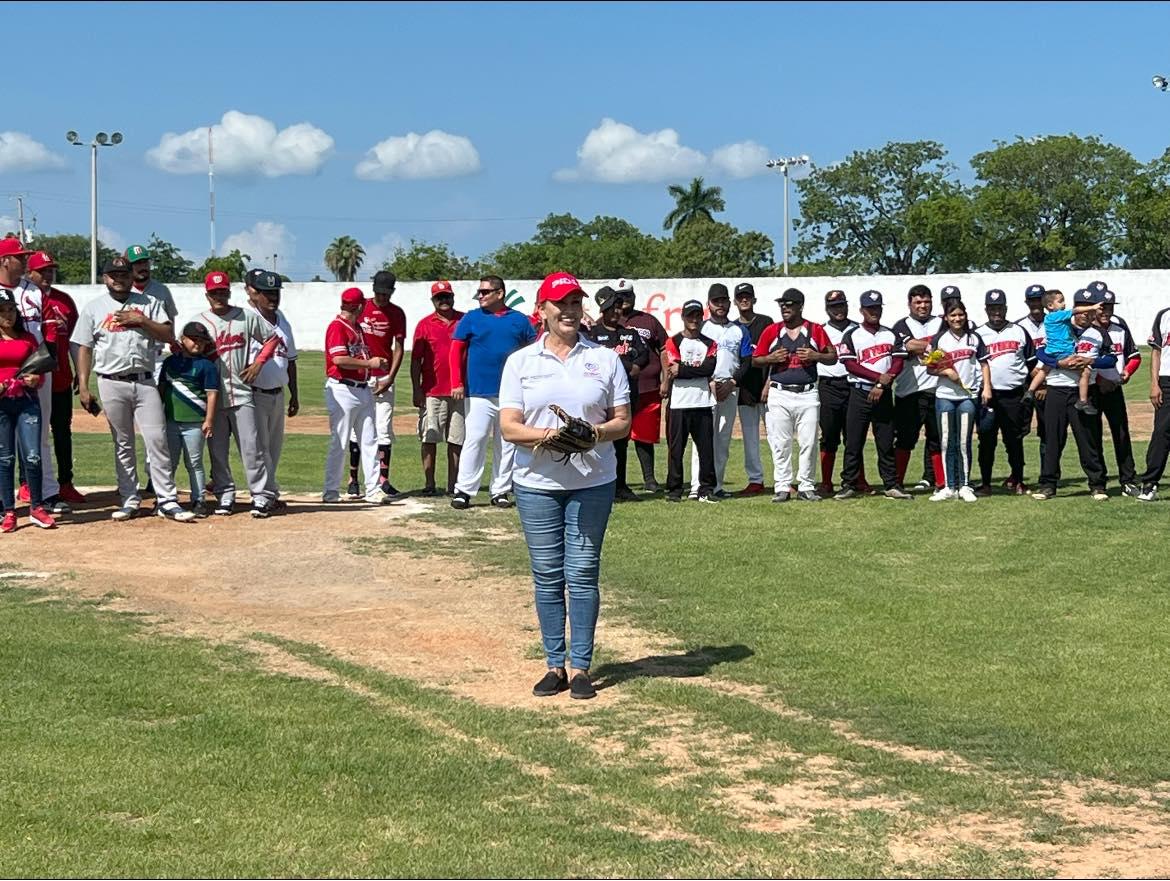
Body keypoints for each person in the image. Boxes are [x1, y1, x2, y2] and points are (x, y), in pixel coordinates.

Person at [499, 271, 631, 701]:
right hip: (536, 482)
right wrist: (551, 438)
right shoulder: (521, 362)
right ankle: (553, 664)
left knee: (583, 571)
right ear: (542, 311)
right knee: (547, 574)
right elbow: (509, 428)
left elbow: (622, 420)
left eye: (576, 302)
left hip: (592, 480)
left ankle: (581, 668)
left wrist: (593, 434)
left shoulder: (605, 359)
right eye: (561, 303)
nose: (570, 310)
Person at [71, 256, 194, 522]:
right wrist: (82, 384)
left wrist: (141, 321)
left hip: (145, 379)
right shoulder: (94, 308)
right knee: (123, 443)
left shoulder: (149, 303)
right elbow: (84, 346)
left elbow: (167, 334)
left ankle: (167, 500)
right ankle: (129, 499)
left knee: (157, 439)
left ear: (131, 276)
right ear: (105, 278)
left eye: (124, 274)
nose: (119, 279)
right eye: (113, 275)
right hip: (111, 380)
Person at [191, 271, 281, 518]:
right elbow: (183, 346)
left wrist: (259, 363)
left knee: (252, 448)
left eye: (223, 291)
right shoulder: (199, 322)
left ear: (230, 292)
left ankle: (261, 496)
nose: (219, 296)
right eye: (214, 292)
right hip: (213, 397)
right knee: (217, 450)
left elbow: (272, 338)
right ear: (207, 295)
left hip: (241, 394)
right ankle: (225, 494)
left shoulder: (245, 316)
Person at [449, 275, 536, 509]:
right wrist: (457, 382)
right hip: (478, 390)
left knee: (507, 442)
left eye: (486, 292)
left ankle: (500, 490)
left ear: (500, 293)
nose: (481, 296)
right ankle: (464, 490)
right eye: (479, 292)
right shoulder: (472, 318)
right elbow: (456, 350)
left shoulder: (519, 320)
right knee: (474, 440)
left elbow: (533, 350)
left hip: (511, 393)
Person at [0, 237, 67, 515]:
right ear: (4, 260)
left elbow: (49, 328)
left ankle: (48, 494)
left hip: (34, 369)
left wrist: (44, 362)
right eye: (20, 256)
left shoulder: (35, 291)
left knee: (39, 434)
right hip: (3, 369)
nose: (25, 260)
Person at [752, 288, 837, 502]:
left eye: (789, 304)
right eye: (782, 304)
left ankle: (807, 485)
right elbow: (756, 359)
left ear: (800, 306)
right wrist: (771, 358)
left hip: (808, 393)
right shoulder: (773, 331)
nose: (785, 308)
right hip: (780, 393)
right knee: (781, 442)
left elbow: (833, 356)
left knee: (808, 442)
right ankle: (782, 485)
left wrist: (815, 355)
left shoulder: (814, 330)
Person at [1031, 289, 1114, 501]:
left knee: (1088, 439)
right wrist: (1059, 363)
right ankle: (1048, 484)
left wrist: (1090, 362)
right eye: (1082, 308)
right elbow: (1040, 353)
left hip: (1083, 391)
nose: (1085, 314)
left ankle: (1097, 484)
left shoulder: (1098, 333)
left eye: (1090, 308)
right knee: (1053, 439)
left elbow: (1110, 360)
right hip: (1057, 389)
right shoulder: (1055, 324)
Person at [836, 291, 910, 501]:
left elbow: (898, 360)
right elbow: (850, 364)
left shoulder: (891, 334)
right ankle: (849, 484)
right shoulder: (852, 334)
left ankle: (891, 484)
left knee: (886, 441)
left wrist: (883, 382)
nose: (874, 312)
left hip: (884, 393)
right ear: (862, 311)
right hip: (860, 391)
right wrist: (879, 378)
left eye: (877, 308)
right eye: (870, 309)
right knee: (853, 441)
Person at [24, 250, 85, 505]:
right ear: (30, 273)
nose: (48, 275)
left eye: (51, 270)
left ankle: (65, 482)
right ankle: (26, 482)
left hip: (59, 377)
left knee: (62, 431)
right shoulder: (24, 297)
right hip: (31, 377)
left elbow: (75, 341)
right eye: (42, 271)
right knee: (27, 431)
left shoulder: (64, 301)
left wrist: (80, 376)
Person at [323, 287, 393, 505]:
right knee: (340, 441)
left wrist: (372, 364)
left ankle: (373, 489)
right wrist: (369, 363)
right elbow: (339, 360)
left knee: (370, 440)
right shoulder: (337, 327)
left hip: (362, 387)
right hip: (342, 389)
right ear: (358, 306)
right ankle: (331, 491)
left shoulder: (357, 327)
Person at [924, 300, 992, 502]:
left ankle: (964, 485)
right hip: (945, 395)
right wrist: (945, 371)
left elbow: (984, 363)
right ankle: (948, 486)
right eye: (952, 315)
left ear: (966, 315)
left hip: (968, 396)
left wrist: (986, 387)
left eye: (960, 314)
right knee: (946, 442)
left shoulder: (974, 338)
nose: (957, 319)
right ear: (946, 317)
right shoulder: (939, 339)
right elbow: (929, 366)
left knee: (963, 442)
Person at [689, 284, 751, 499]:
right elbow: (693, 359)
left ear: (729, 302)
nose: (721, 305)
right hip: (706, 387)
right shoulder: (702, 328)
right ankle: (697, 486)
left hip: (730, 387)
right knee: (701, 438)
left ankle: (716, 486)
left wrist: (733, 382)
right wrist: (710, 382)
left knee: (722, 439)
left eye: (724, 300)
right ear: (709, 304)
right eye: (716, 301)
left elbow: (746, 362)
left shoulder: (739, 330)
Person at [126, 243, 178, 497]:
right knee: (128, 427)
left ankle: (152, 477)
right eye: (137, 263)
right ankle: (128, 482)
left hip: (157, 359)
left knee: (156, 424)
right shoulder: (122, 291)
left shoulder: (161, 291)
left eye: (144, 262)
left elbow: (171, 325)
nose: (142, 267)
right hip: (131, 361)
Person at [588, 286, 649, 502]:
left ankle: (620, 485)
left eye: (617, 307)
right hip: (601, 396)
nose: (615, 312)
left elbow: (644, 354)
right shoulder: (592, 334)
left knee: (621, 441)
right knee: (599, 439)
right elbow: (600, 360)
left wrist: (636, 366)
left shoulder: (629, 333)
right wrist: (627, 363)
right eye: (610, 309)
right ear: (602, 311)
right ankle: (598, 484)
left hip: (625, 395)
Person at [0, 296, 56, 531]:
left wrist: (36, 379)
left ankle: (36, 507)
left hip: (27, 401)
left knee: (32, 455)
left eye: (11, 310)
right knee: (4, 458)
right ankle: (8, 511)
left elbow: (40, 368)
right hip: (1, 404)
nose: (8, 315)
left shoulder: (29, 338)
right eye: (3, 310)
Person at [245, 269, 299, 507]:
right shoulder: (247, 320)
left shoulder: (283, 320)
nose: (273, 298)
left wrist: (294, 394)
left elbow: (291, 359)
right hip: (255, 393)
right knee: (259, 447)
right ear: (255, 294)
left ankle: (268, 491)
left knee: (274, 448)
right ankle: (263, 495)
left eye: (276, 292)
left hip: (277, 393)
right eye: (267, 293)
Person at [350, 270, 405, 500]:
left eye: (386, 293)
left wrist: (390, 377)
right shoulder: (361, 307)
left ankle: (383, 480)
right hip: (360, 376)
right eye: (379, 292)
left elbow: (399, 347)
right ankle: (353, 480)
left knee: (383, 430)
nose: (382, 297)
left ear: (392, 291)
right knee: (356, 429)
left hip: (383, 377)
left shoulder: (396, 313)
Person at [974, 289, 1034, 495]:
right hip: (987, 396)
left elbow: (1031, 362)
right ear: (986, 310)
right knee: (986, 440)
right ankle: (986, 483)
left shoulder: (1018, 331)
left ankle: (1018, 479)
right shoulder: (978, 334)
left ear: (1005, 308)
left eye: (999, 307)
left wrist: (1033, 388)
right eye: (992, 308)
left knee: (1014, 440)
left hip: (1013, 394)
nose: (996, 312)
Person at [159, 323, 220, 517]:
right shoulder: (170, 363)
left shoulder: (207, 366)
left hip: (195, 421)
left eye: (202, 341)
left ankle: (199, 499)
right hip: (171, 420)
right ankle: (166, 498)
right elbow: (161, 390)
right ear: (182, 339)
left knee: (194, 463)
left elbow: (212, 395)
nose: (198, 344)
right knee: (170, 462)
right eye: (194, 340)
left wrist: (209, 419)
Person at [411, 280, 466, 496]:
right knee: (429, 438)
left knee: (456, 440)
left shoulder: (464, 321)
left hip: (459, 390)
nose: (444, 301)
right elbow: (416, 360)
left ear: (453, 298)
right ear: (433, 300)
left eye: (447, 296)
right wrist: (417, 389)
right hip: (432, 391)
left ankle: (453, 485)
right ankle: (430, 484)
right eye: (439, 297)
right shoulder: (424, 324)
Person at [1088, 284, 1141, 497]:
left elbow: (1134, 356)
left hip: (1114, 389)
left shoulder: (1120, 326)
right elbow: (1082, 361)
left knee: (1121, 434)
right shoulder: (1084, 330)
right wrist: (1100, 379)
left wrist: (1127, 373)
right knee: (1093, 436)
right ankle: (1098, 483)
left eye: (1109, 307)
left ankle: (1128, 480)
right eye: (1102, 307)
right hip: (1091, 388)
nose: (1106, 311)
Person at [615, 280, 668, 492]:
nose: (624, 300)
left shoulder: (649, 321)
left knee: (644, 436)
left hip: (648, 387)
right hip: (619, 389)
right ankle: (619, 482)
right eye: (620, 296)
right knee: (619, 436)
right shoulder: (609, 321)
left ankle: (649, 479)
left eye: (627, 295)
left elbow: (664, 349)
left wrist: (665, 379)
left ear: (634, 296)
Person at [817, 290, 871, 496]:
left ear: (847, 306)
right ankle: (826, 482)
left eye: (841, 305)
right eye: (833, 306)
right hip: (828, 385)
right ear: (827, 309)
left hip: (852, 385)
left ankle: (859, 479)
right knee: (829, 435)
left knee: (854, 436)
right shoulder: (820, 331)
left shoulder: (858, 330)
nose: (838, 310)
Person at [663, 300, 718, 503]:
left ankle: (706, 489)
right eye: (690, 316)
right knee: (676, 449)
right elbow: (672, 369)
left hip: (702, 402)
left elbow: (709, 368)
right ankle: (675, 490)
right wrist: (691, 371)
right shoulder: (673, 341)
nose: (694, 320)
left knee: (706, 450)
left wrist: (684, 371)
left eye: (697, 316)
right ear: (683, 318)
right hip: (679, 403)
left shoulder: (710, 343)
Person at [891, 284, 944, 493]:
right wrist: (935, 347)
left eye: (926, 301)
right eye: (918, 302)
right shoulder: (901, 325)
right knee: (905, 439)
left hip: (938, 389)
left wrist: (919, 347)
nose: (923, 306)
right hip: (909, 391)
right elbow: (909, 345)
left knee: (937, 438)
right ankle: (896, 482)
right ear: (910, 304)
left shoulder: (941, 322)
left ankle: (941, 483)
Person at [1024, 288, 1099, 414]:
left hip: (1051, 351)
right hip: (1064, 351)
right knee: (1085, 372)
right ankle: (1083, 401)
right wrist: (1092, 307)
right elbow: (1075, 311)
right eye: (1060, 301)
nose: (1064, 304)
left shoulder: (1047, 319)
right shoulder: (1058, 315)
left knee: (1044, 370)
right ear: (1050, 305)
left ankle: (1030, 391)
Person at [732, 282, 773, 495]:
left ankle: (783, 480)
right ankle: (755, 480)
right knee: (750, 437)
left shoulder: (766, 323)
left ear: (754, 299)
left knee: (776, 436)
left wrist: (770, 382)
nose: (744, 300)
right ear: (735, 301)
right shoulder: (732, 328)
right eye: (740, 297)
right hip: (745, 388)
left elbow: (776, 356)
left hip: (768, 387)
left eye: (748, 296)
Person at [1135, 303, 1170, 501]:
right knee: (1162, 432)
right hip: (1167, 380)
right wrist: (1154, 383)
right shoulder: (1164, 315)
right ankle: (1150, 484)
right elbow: (1156, 352)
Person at [1016, 283, 1048, 473]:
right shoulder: (1020, 325)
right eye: (1032, 300)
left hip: (1049, 383)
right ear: (1026, 302)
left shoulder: (1055, 323)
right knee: (1019, 429)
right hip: (1026, 383)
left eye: (1039, 299)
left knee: (1047, 431)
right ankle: (1017, 473)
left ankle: (1048, 473)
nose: (1036, 303)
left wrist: (1044, 383)